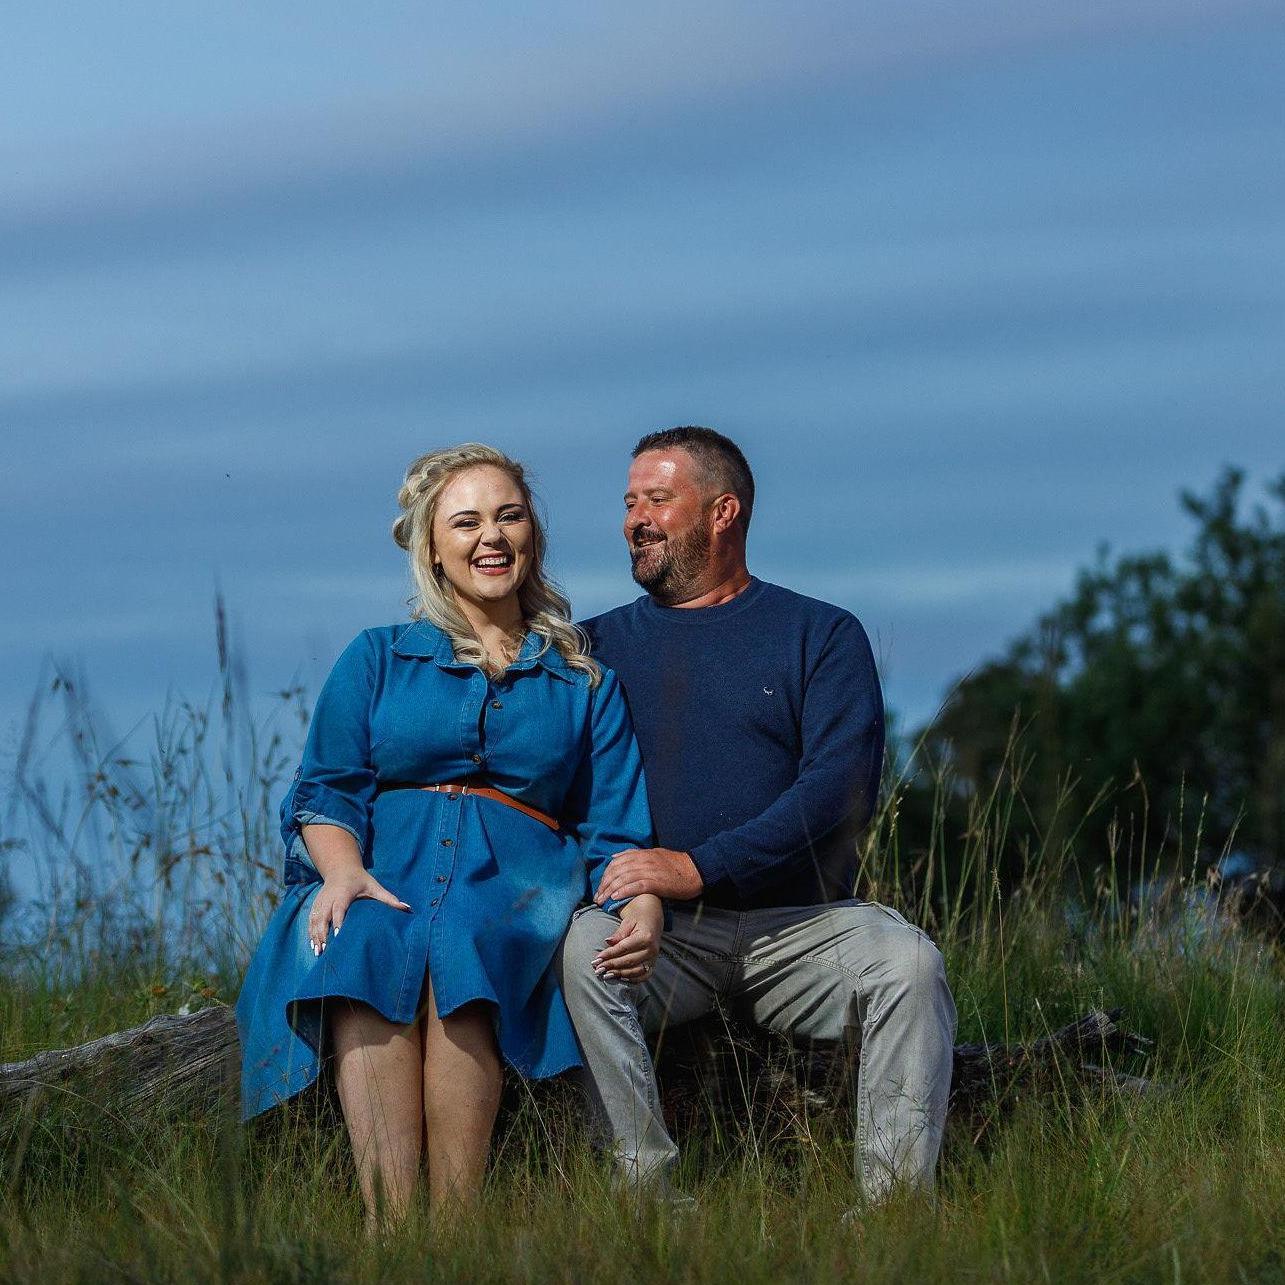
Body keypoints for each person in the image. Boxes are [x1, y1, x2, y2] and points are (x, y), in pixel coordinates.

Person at [235, 443, 661, 1228]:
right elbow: (327, 784)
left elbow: (614, 825)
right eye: (466, 522)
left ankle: (455, 1229)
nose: (490, 536)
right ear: (432, 547)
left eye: (508, 515)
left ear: (532, 533)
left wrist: (642, 902)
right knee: (367, 931)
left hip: (516, 883)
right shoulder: (376, 656)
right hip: (382, 864)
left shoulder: (584, 681)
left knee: (463, 933)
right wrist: (341, 871)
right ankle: (390, 1227)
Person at [559, 426, 957, 1208]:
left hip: (802, 925)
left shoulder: (818, 634)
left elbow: (837, 790)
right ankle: (645, 1196)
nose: (635, 520)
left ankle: (895, 1210)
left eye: (657, 500)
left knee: (908, 964)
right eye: (629, 503)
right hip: (660, 933)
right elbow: (561, 793)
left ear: (722, 512)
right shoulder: (592, 646)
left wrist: (697, 866)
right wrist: (641, 890)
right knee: (581, 950)